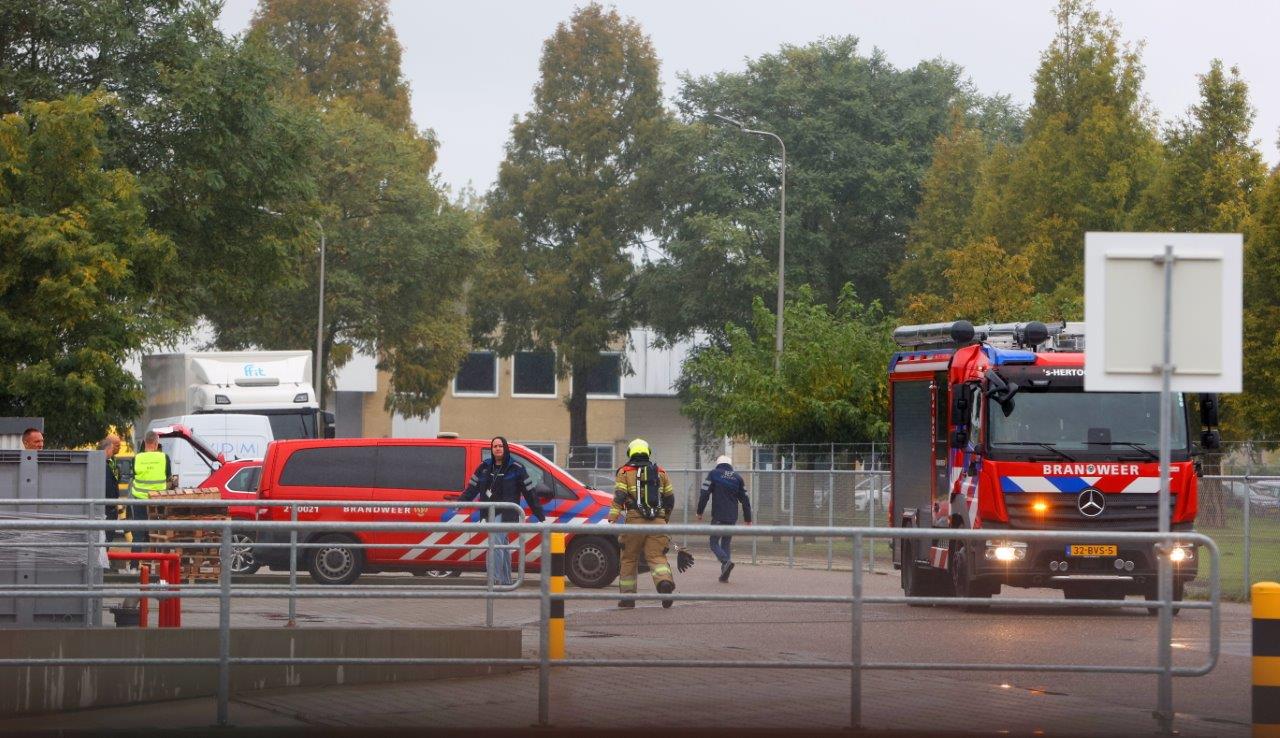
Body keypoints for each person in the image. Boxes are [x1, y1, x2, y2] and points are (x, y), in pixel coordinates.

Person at [460, 436, 546, 586]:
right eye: (495, 446)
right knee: (502, 545)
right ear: (491, 450)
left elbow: (529, 492)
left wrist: (540, 515)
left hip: (506, 513)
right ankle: (505, 580)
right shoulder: (484, 467)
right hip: (489, 513)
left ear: (505, 448)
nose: (498, 448)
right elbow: (472, 488)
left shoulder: (516, 468)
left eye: (500, 446)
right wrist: (459, 504)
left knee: (495, 544)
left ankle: (495, 581)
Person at [609, 438, 677, 608]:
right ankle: (664, 583)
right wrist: (664, 519)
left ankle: (627, 598)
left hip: (634, 522)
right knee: (657, 556)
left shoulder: (624, 472)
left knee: (629, 558)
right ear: (648, 452)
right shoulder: (660, 472)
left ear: (630, 453)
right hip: (658, 521)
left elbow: (620, 495)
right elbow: (670, 499)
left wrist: (613, 515)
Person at [697, 455, 753, 583]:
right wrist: (748, 518)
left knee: (713, 542)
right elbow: (745, 500)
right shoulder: (738, 478)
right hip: (732, 517)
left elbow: (704, 494)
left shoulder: (714, 474)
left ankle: (725, 561)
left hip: (718, 515)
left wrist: (699, 511)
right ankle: (725, 573)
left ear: (718, 463)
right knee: (726, 543)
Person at [129, 431, 172, 545]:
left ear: (144, 442)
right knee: (160, 531)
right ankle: (160, 560)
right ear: (156, 443)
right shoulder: (164, 457)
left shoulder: (137, 458)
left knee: (138, 533)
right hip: (158, 500)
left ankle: (134, 563)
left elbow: (134, 476)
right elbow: (168, 476)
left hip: (140, 499)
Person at [99, 436, 122, 542]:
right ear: (108, 448)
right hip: (107, 507)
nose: (119, 448)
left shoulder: (112, 461)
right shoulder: (103, 464)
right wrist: (113, 502)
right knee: (106, 537)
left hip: (110, 506)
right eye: (115, 446)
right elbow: (108, 486)